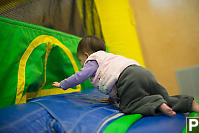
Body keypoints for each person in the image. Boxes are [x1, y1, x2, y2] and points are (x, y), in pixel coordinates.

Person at [52, 36, 199, 116]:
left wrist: (63, 84)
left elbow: (80, 76)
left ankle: (157, 104)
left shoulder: (93, 60)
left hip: (128, 78)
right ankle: (189, 103)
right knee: (165, 96)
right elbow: (113, 81)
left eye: (80, 61)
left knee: (128, 105)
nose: (82, 64)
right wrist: (111, 98)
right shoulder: (109, 58)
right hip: (143, 72)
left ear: (86, 55)